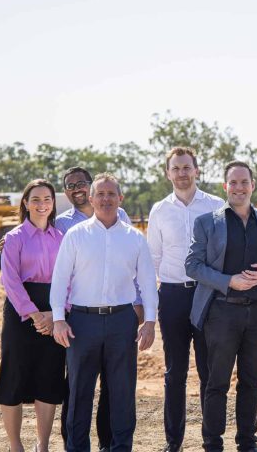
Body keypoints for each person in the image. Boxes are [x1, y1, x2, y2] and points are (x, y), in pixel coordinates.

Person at [50, 173, 158, 452]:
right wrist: (59, 320)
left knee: (122, 392)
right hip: (81, 323)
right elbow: (60, 279)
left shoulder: (135, 238)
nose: (106, 199)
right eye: (100, 194)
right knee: (79, 393)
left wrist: (149, 322)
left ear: (120, 198)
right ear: (91, 198)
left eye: (111, 194)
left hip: (122, 321)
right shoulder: (76, 235)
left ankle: (120, 447)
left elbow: (148, 282)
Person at [185, 160, 257, 452]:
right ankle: (212, 444)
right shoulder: (207, 222)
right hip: (221, 312)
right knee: (217, 383)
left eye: (244, 182)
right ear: (225, 186)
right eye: (233, 182)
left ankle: (247, 442)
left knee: (251, 382)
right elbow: (192, 265)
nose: (239, 188)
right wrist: (228, 281)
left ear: (252, 185)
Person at [147, 147, 224, 452]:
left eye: (186, 167)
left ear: (197, 170)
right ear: (168, 173)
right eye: (176, 168)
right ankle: (173, 442)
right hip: (173, 296)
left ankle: (211, 441)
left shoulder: (216, 206)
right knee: (174, 373)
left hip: (207, 295)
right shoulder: (159, 210)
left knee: (209, 372)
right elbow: (153, 258)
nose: (181, 173)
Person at [57, 167, 133, 451]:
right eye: (70, 185)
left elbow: (130, 264)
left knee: (114, 386)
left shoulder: (120, 216)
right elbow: (57, 267)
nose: (76, 188)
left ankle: (107, 443)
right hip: (75, 315)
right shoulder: (61, 224)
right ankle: (74, 445)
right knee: (77, 386)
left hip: (116, 314)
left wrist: (137, 305)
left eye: (81, 183)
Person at [0, 179, 66, 452]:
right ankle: (16, 446)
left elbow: (69, 278)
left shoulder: (62, 238)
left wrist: (55, 314)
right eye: (35, 199)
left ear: (53, 203)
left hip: (54, 311)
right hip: (21, 313)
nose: (41, 204)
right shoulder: (14, 238)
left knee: (49, 376)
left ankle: (42, 445)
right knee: (14, 375)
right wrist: (35, 315)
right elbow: (10, 281)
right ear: (25, 203)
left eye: (47, 199)